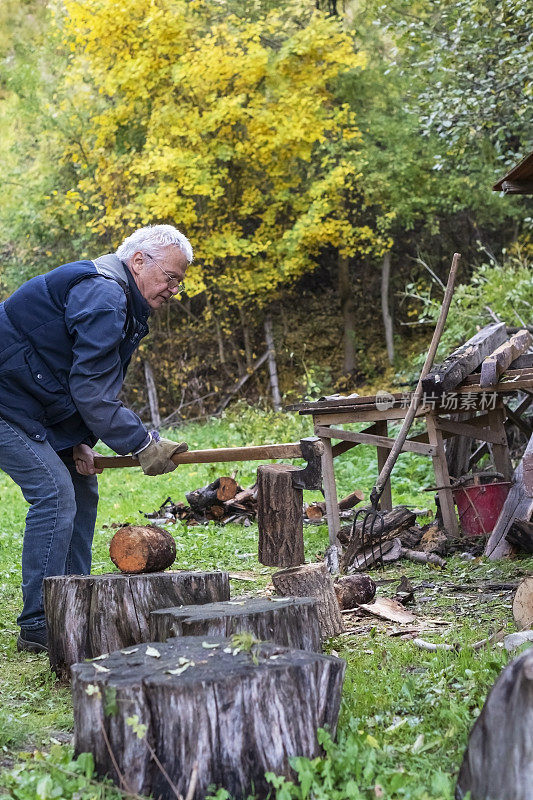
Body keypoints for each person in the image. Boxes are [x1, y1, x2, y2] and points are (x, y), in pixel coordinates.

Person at [0, 224, 193, 653]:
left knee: (80, 485)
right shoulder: (104, 294)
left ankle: (76, 601)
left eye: (180, 281)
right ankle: (40, 623)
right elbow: (91, 391)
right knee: (54, 493)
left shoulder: (119, 297)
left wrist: (76, 439)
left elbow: (73, 375)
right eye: (172, 277)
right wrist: (142, 443)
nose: (174, 290)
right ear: (139, 261)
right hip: (5, 404)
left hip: (30, 402)